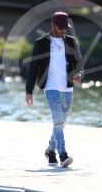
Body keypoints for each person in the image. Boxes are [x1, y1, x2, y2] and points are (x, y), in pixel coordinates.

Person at [25, 12, 83, 168]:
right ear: (52, 25)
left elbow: (79, 63)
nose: (64, 30)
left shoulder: (71, 41)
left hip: (67, 88)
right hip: (50, 87)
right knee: (58, 120)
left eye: (66, 28)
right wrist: (29, 91)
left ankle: (50, 150)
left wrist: (79, 73)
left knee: (61, 123)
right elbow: (33, 68)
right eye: (61, 27)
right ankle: (62, 154)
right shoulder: (42, 43)